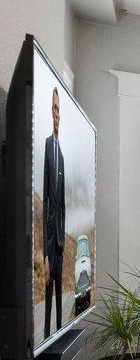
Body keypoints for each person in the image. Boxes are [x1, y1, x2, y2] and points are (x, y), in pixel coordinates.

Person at [43, 86, 66, 339]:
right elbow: (46, 202)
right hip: (50, 246)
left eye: (59, 109)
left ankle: (59, 330)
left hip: (60, 244)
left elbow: (64, 207)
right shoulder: (48, 146)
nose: (56, 114)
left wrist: (61, 245)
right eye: (54, 108)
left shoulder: (62, 154)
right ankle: (48, 333)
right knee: (48, 296)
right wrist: (45, 256)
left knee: (61, 298)